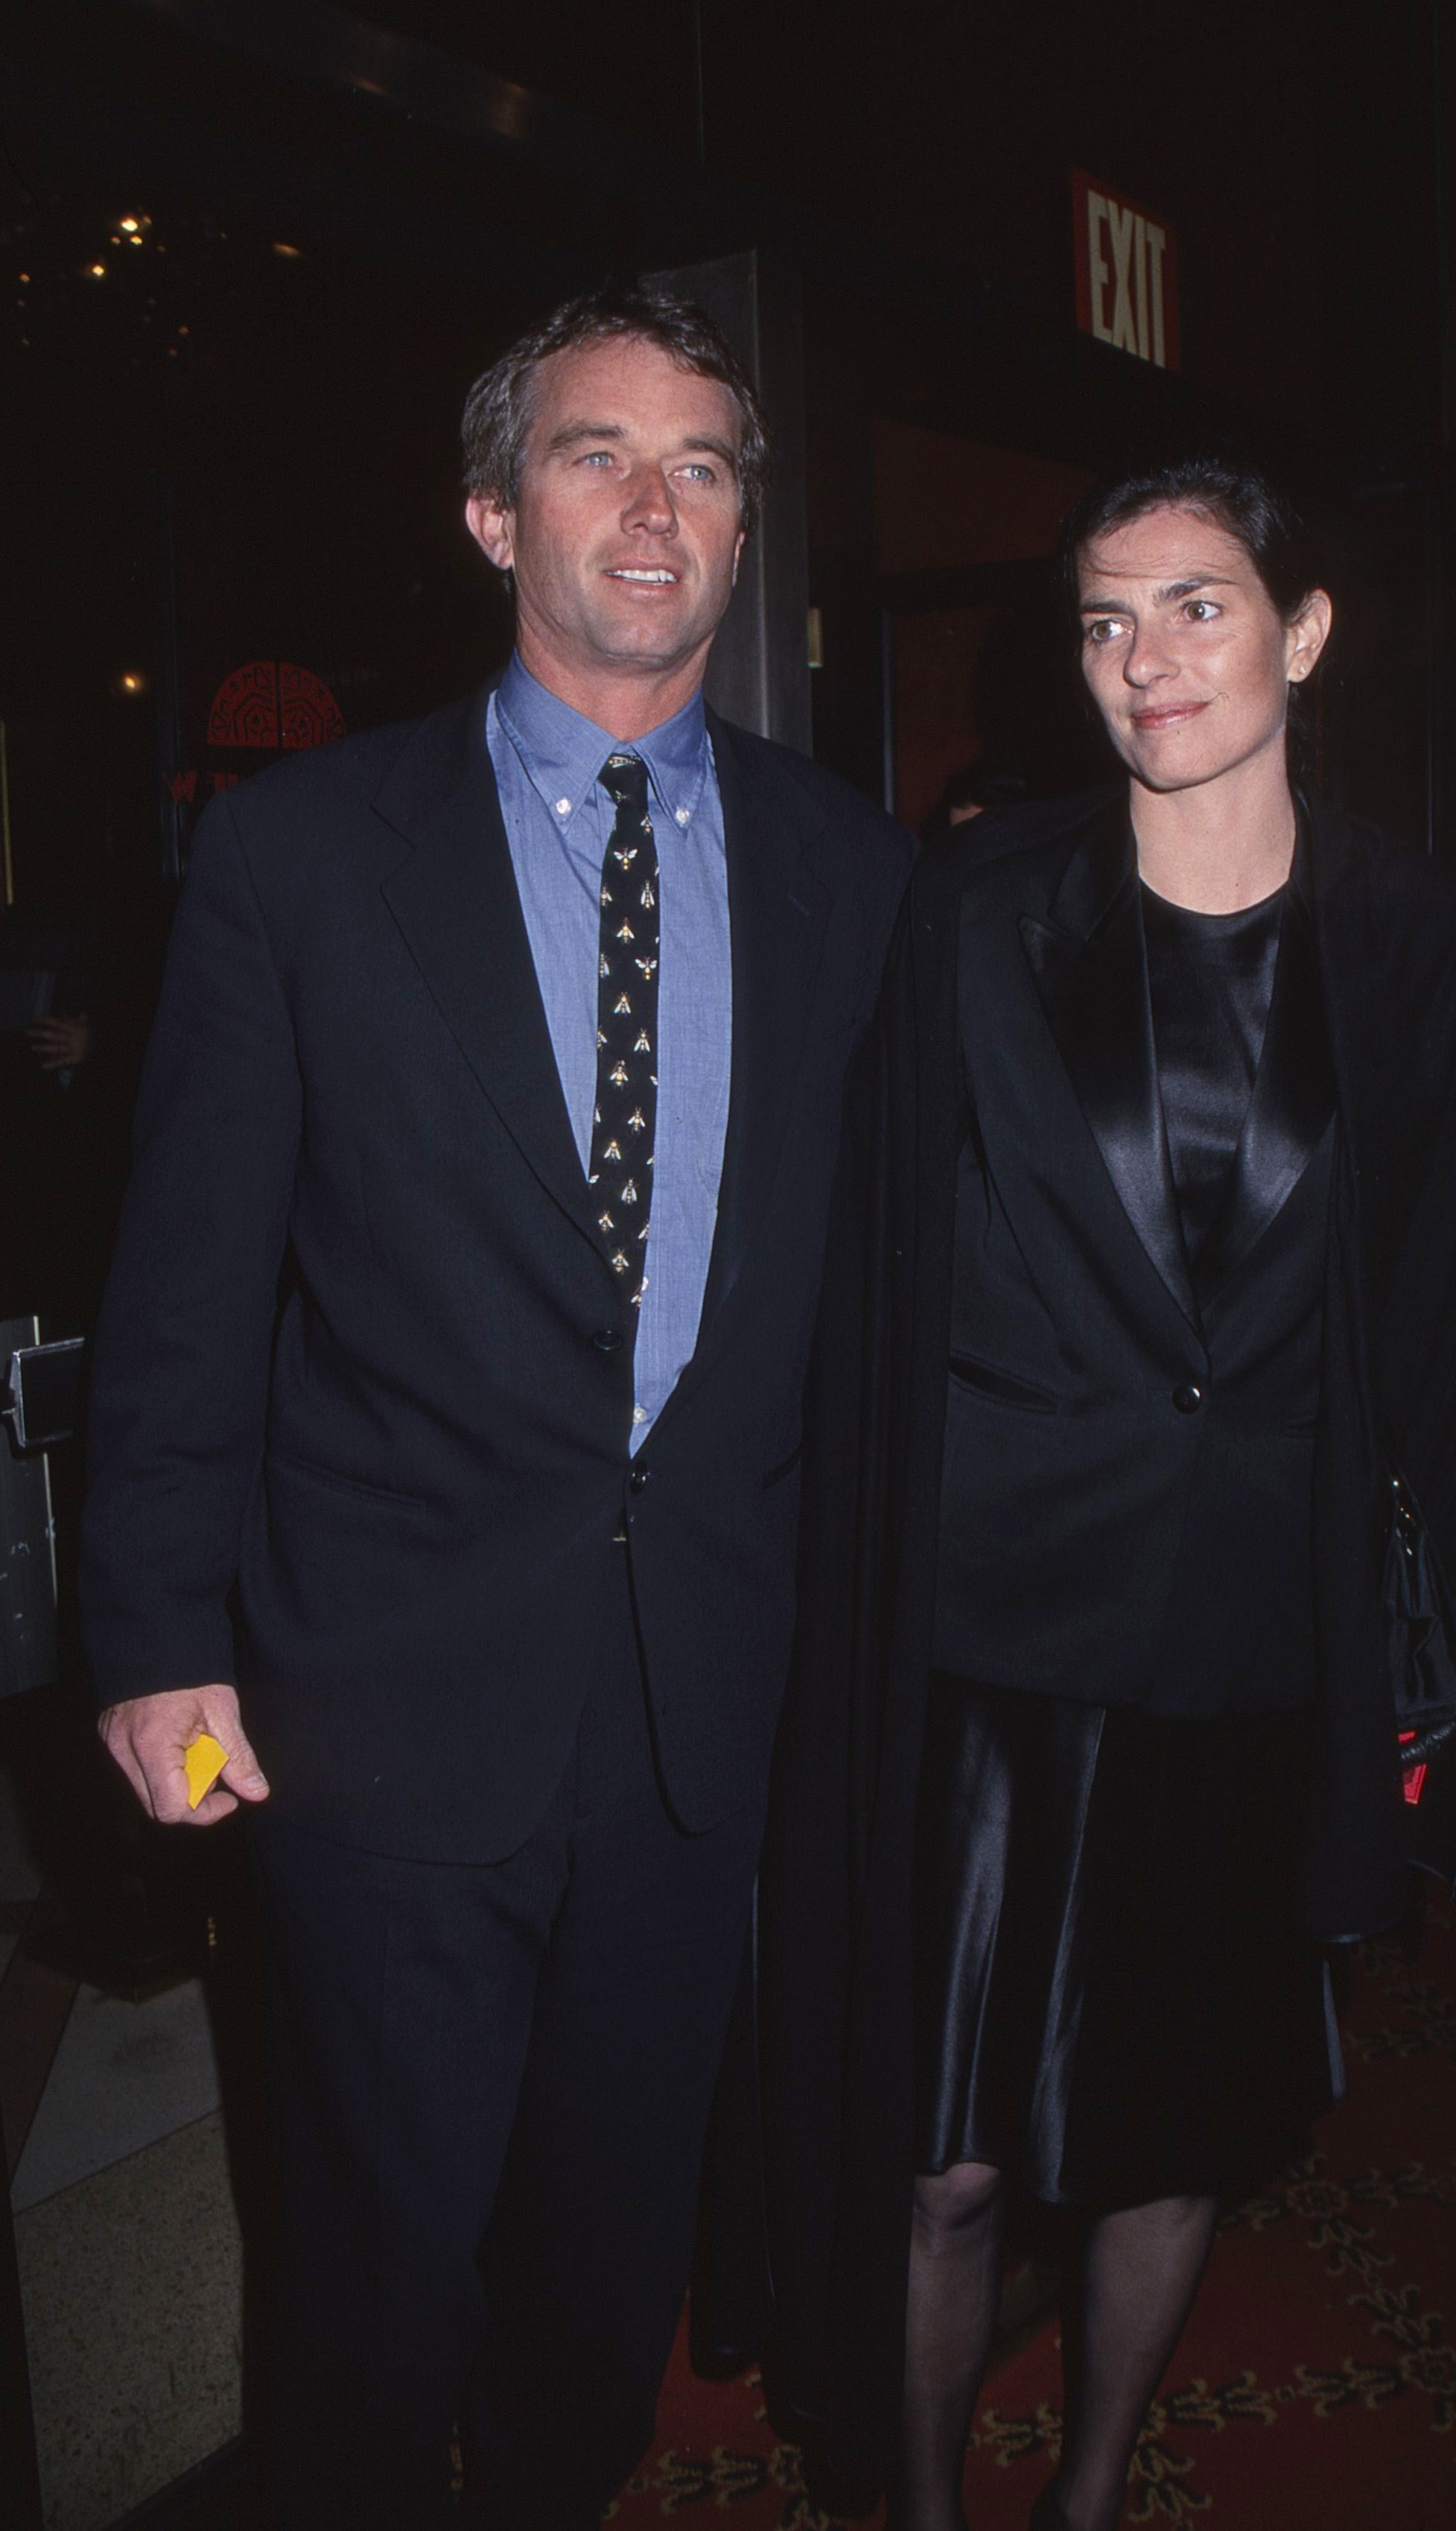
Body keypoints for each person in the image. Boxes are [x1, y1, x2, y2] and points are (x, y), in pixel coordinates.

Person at [80, 286, 912, 2530]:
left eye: (707, 465)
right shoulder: (302, 861)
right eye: (595, 454)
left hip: (699, 1708)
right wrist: (156, 1638)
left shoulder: (857, 876)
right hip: (378, 1697)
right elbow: (185, 1296)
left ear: (745, 526)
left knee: (609, 2236)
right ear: (488, 508)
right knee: (371, 2250)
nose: (659, 506)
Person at [755, 457, 1456, 2527]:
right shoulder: (981, 904)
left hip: (1248, 1635)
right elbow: (861, 1254)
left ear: (1301, 633)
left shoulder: (1423, 941)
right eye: (1108, 624)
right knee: (946, 2149)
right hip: (987, 1628)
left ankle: (1090, 2495)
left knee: (1176, 2132)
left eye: (1195, 609)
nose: (1147, 663)